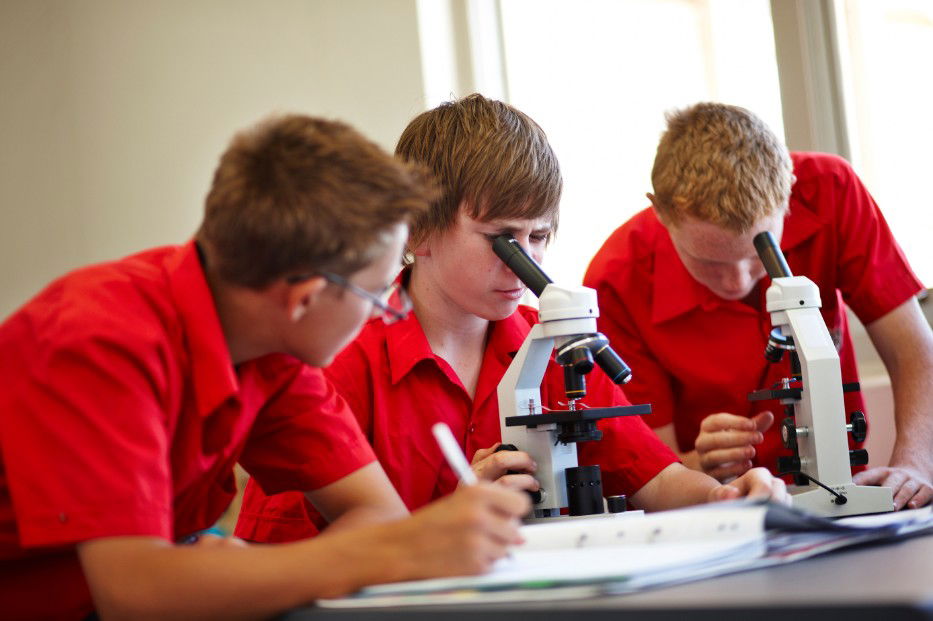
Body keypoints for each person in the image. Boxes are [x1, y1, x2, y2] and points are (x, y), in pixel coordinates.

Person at [0, 114, 531, 620]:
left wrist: (235, 574)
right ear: (304, 298)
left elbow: (380, 517)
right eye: (377, 294)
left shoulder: (272, 348)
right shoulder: (99, 343)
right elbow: (135, 595)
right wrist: (393, 551)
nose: (383, 313)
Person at [235, 94, 789, 544]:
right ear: (419, 230)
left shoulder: (550, 345)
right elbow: (280, 556)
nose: (527, 263)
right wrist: (449, 516)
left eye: (539, 236)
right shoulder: (340, 362)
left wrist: (729, 496)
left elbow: (655, 478)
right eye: (502, 238)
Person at [584, 102, 933, 510]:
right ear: (661, 211)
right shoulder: (615, 280)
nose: (737, 281)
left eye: (757, 255)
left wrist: (915, 465)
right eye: (709, 262)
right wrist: (702, 463)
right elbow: (652, 472)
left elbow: (913, 351)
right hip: (719, 504)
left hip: (842, 485)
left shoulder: (832, 189)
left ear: (789, 193)